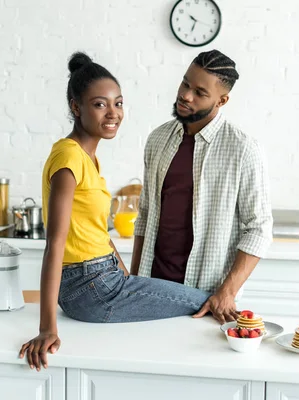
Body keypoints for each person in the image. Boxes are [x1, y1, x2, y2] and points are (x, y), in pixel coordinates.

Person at [19, 52, 210, 371]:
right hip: (89, 287)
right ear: (76, 107)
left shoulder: (88, 158)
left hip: (99, 279)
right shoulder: (68, 160)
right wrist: (47, 328)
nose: (113, 113)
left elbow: (96, 232)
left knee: (192, 309)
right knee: (206, 302)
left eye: (118, 103)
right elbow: (55, 243)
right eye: (100, 104)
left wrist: (125, 275)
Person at [130, 49, 273, 325]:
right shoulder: (158, 139)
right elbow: (145, 216)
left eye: (199, 92)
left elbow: (259, 228)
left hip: (207, 300)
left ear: (222, 100)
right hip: (150, 289)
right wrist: (133, 280)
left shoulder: (243, 149)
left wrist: (227, 292)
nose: (185, 95)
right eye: (185, 83)